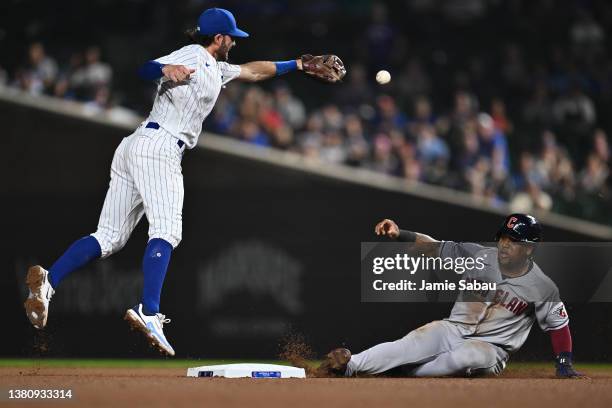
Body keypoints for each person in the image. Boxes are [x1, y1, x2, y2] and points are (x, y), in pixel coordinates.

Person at [23, 8, 345, 357]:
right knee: (167, 230)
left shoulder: (217, 68)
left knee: (109, 237)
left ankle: (48, 281)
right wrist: (165, 69)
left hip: (137, 145)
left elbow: (254, 70)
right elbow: (143, 68)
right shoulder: (192, 55)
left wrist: (296, 64)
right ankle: (149, 312)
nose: (235, 43)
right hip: (160, 147)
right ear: (218, 38)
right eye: (231, 37)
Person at [319, 214, 583, 378]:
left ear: (529, 248)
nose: (504, 243)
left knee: (465, 357)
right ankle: (350, 364)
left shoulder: (542, 287)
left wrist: (564, 364)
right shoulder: (479, 256)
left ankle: (399, 372)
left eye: (512, 240)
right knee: (410, 343)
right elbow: (433, 247)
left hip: (492, 348)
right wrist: (401, 234)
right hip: (453, 328)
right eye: (503, 237)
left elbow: (559, 325)